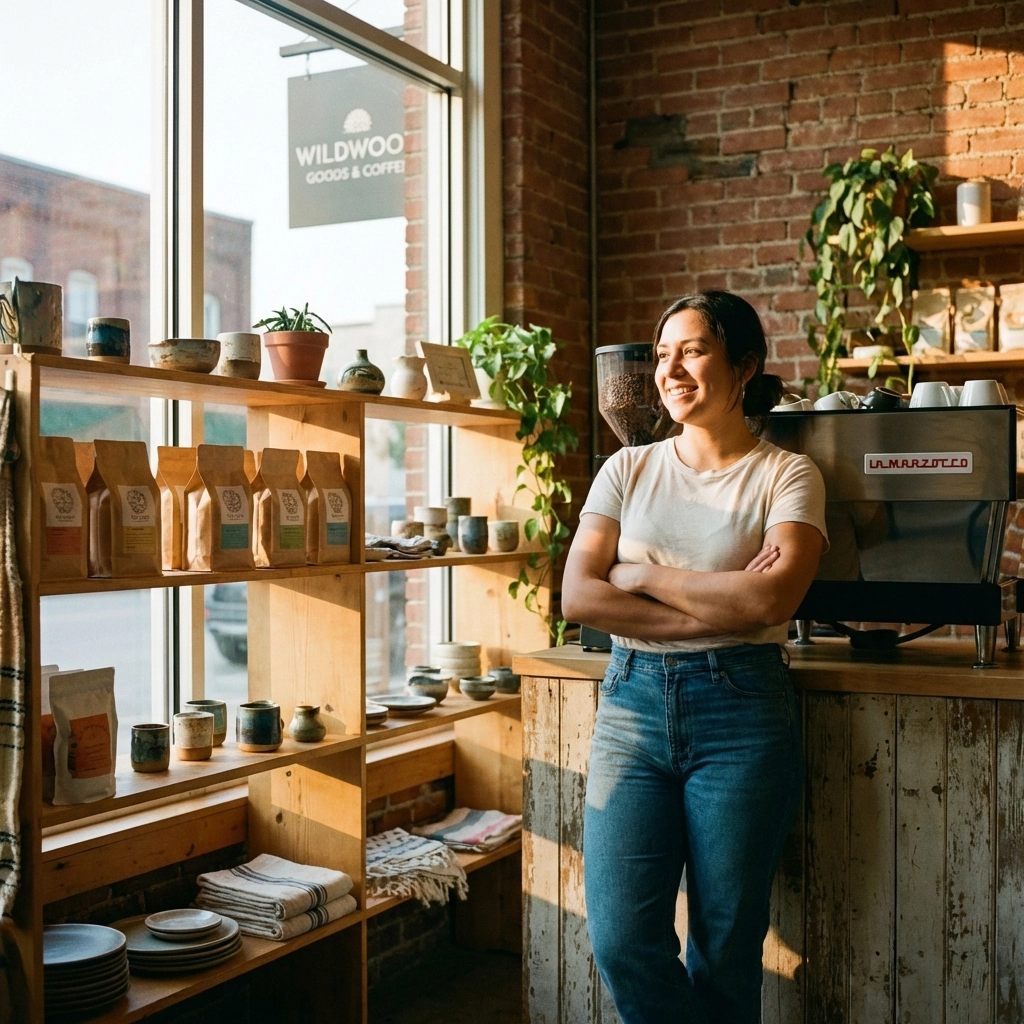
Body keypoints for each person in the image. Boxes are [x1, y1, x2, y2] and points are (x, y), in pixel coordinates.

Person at [561, 291, 828, 1024]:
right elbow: (579, 596)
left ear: (743, 366)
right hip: (632, 706)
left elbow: (770, 605)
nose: (670, 370)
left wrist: (641, 578)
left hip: (742, 713)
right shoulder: (628, 469)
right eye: (662, 354)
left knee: (725, 948)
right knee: (621, 940)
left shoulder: (786, 476)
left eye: (694, 350)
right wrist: (714, 604)